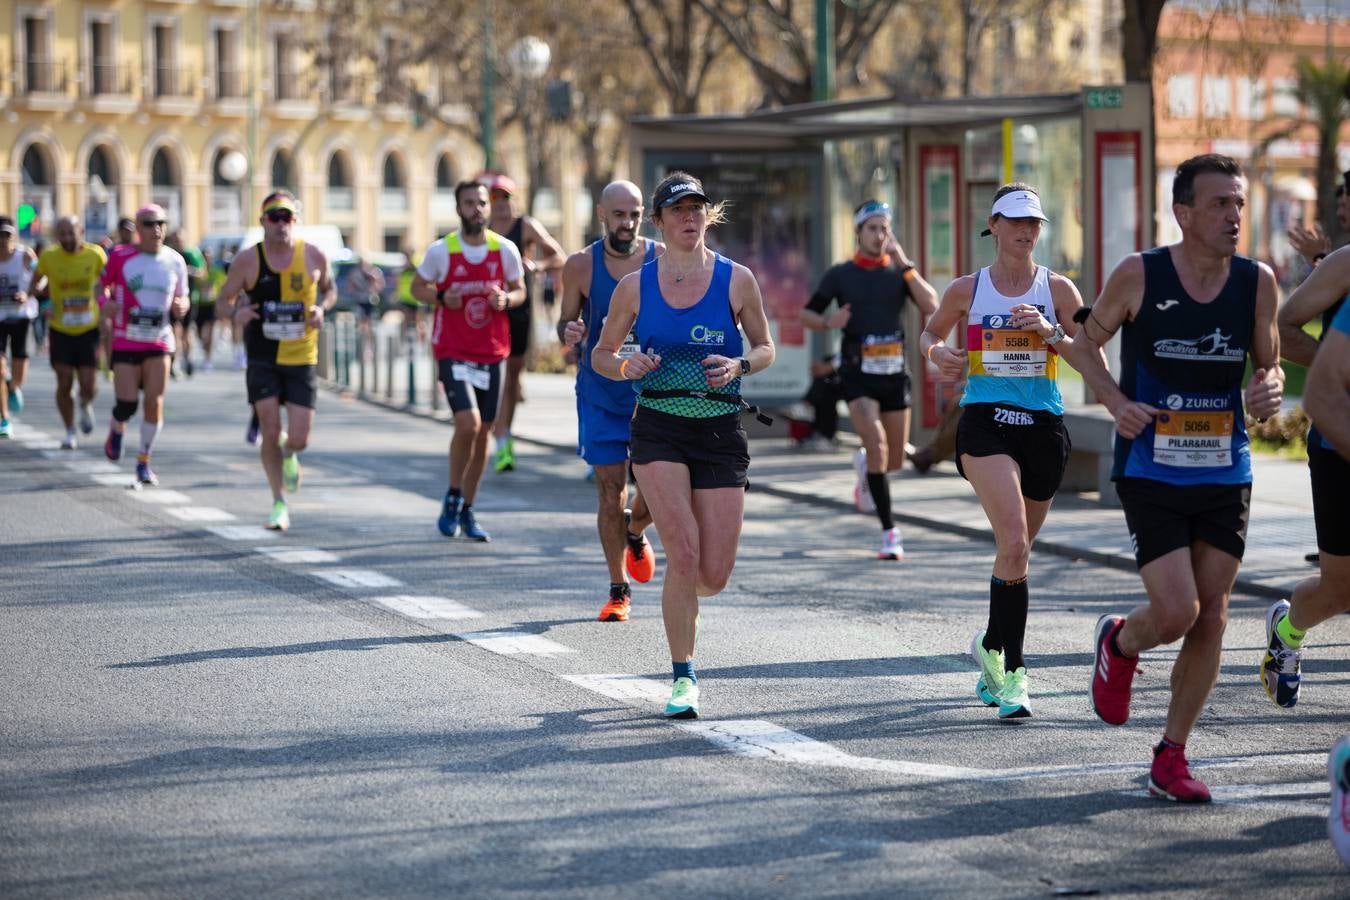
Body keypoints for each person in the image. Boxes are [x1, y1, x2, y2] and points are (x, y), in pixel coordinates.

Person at [1063, 154, 1283, 803]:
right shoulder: (1140, 274)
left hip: (1224, 467)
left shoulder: (1257, 282)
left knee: (1211, 615)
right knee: (1177, 609)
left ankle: (1172, 755)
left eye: (1238, 203)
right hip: (1151, 467)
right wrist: (1113, 400)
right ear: (1183, 212)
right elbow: (1082, 344)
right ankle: (1121, 642)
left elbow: (1267, 366)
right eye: (1219, 204)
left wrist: (1266, 392)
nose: (1233, 215)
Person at [590, 171, 776, 719]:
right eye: (678, 210)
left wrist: (741, 363)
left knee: (712, 575)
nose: (690, 218)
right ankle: (683, 676)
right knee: (686, 552)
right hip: (659, 428)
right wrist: (626, 363)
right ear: (660, 221)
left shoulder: (736, 280)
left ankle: (635, 531)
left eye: (698, 209)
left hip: (720, 429)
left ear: (707, 217)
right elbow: (602, 354)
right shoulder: (635, 287)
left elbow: (766, 347)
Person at [920, 184, 1088, 720]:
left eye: (1034, 223)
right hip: (986, 425)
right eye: (1015, 221)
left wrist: (1051, 332)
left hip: (1044, 430)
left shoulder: (1058, 289)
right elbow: (929, 334)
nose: (1026, 231)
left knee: (1016, 554)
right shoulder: (967, 290)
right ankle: (1012, 674)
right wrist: (937, 354)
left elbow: (1090, 356)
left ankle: (991, 640)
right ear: (993, 225)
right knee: (1013, 539)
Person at [801, 200, 938, 559]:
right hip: (856, 374)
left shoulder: (899, 273)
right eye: (873, 228)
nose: (880, 235)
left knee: (892, 460)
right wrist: (829, 322)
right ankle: (890, 533)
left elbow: (931, 305)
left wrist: (906, 264)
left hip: (894, 374)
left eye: (884, 228)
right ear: (858, 233)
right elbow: (807, 314)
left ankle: (865, 468)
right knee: (877, 447)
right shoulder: (841, 274)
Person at [557, 180, 663, 622]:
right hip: (601, 391)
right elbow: (566, 320)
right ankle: (618, 589)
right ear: (602, 213)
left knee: (657, 489)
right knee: (609, 490)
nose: (628, 223)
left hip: (655, 392)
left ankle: (635, 529)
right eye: (619, 214)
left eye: (635, 213)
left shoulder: (663, 259)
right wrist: (569, 332)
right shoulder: (581, 265)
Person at [1260, 243, 1350, 707]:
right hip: (1339, 444)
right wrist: (1336, 371)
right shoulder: (1345, 263)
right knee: (1339, 589)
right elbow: (1284, 327)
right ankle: (1288, 628)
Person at [411, 180, 526, 542]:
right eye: (468, 203)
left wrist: (506, 301)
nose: (476, 208)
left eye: (481, 202)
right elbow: (417, 288)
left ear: (488, 208)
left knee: (483, 437)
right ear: (458, 208)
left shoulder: (504, 249)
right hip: (452, 349)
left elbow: (520, 290)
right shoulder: (442, 251)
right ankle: (451, 494)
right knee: (468, 424)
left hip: (491, 352)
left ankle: (467, 508)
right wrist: (443, 297)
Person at [216, 191, 335, 531]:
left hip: (301, 356)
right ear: (263, 221)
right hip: (263, 355)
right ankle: (279, 502)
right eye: (274, 216)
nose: (281, 223)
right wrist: (237, 311)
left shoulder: (313, 255)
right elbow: (222, 302)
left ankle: (290, 450)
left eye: (288, 217)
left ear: (295, 221)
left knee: (299, 438)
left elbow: (329, 290)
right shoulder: (247, 260)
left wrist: (321, 309)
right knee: (269, 427)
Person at [99, 204, 191, 485]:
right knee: (127, 405)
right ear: (138, 229)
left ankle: (143, 461)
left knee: (154, 402)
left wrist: (182, 306)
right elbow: (99, 286)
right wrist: (106, 303)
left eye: (161, 223)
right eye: (150, 224)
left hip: (159, 340)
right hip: (127, 339)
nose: (157, 229)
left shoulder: (175, 260)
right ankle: (116, 429)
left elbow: (184, 297)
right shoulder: (120, 256)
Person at [483, 173, 565, 473]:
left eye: (505, 197)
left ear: (512, 199)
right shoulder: (484, 229)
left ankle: (503, 436)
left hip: (518, 307)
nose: (501, 204)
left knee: (512, 372)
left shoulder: (525, 226)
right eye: (495, 198)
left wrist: (537, 265)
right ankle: (496, 430)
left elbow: (560, 256)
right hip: (489, 309)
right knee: (495, 374)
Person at [32, 216, 106, 448]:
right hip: (60, 329)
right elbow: (36, 283)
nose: (66, 238)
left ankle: (85, 403)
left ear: (80, 231)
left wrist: (106, 308)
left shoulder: (96, 255)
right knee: (64, 382)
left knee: (89, 385)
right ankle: (69, 430)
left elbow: (108, 284)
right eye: (61, 234)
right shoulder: (49, 257)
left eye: (70, 233)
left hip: (88, 329)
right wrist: (42, 298)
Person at [0, 216, 39, 437]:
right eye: (0, 235)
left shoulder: (25, 256)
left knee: (19, 364)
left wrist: (28, 293)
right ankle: (4, 417)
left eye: (7, 235)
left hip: (21, 316)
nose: (3, 240)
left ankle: (13, 387)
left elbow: (41, 278)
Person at [166, 230, 206, 378]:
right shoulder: (168, 254)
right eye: (175, 240)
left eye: (180, 239)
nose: (178, 242)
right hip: (171, 300)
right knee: (175, 330)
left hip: (190, 298)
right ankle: (174, 362)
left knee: (186, 332)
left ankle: (188, 358)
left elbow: (203, 272)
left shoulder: (192, 253)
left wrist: (191, 271)